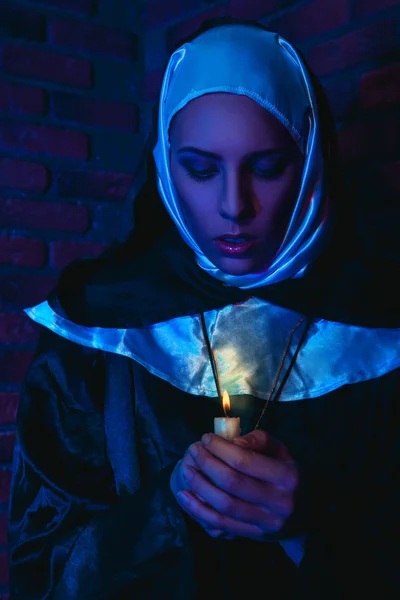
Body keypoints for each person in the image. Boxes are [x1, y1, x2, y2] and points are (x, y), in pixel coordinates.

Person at [7, 17, 400, 600]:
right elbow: (38, 570)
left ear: (311, 164)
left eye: (266, 167)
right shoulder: (98, 330)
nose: (233, 206)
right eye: (200, 168)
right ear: (167, 167)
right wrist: (170, 508)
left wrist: (306, 532)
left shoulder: (380, 335)